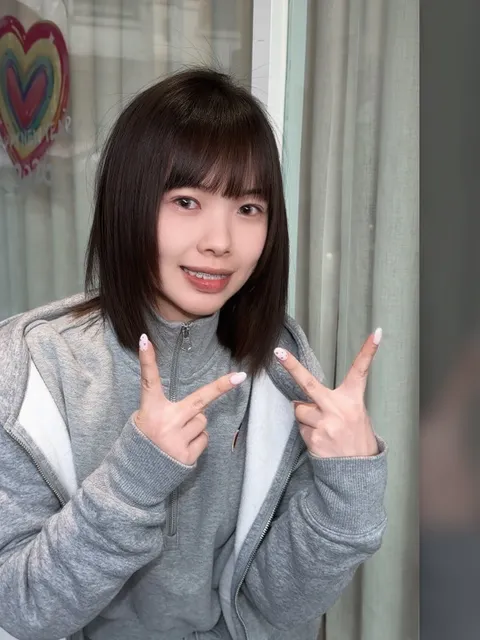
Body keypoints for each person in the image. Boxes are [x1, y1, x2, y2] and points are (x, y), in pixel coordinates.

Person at [0, 67, 388, 640]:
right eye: (187, 201)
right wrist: (133, 482)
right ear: (129, 202)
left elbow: (278, 608)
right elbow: (18, 609)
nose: (220, 242)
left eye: (248, 209)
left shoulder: (281, 371)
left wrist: (348, 489)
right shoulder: (34, 369)